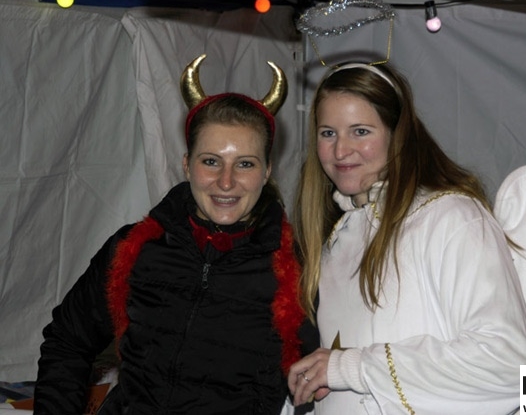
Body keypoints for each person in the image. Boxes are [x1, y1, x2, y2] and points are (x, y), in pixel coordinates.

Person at [34, 54, 316, 415]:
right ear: (187, 164)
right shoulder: (134, 248)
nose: (226, 181)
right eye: (210, 161)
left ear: (267, 171)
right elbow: (67, 341)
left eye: (245, 164)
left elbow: (317, 383)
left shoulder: (296, 270)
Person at [287, 62, 526, 414]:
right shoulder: (335, 240)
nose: (341, 150)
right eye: (328, 133)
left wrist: (352, 367)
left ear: (398, 134)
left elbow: (508, 365)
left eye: (360, 131)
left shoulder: (449, 217)